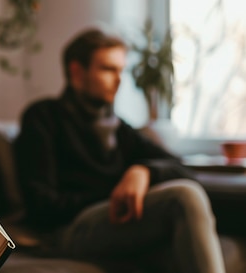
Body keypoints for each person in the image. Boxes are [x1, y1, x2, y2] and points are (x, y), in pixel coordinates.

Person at [13, 26, 226, 273]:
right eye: (108, 69)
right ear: (77, 72)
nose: (118, 80)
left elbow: (183, 170)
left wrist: (142, 172)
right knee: (183, 198)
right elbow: (42, 206)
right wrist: (117, 193)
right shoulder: (43, 117)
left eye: (121, 70)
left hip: (113, 222)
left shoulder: (118, 128)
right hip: (67, 229)